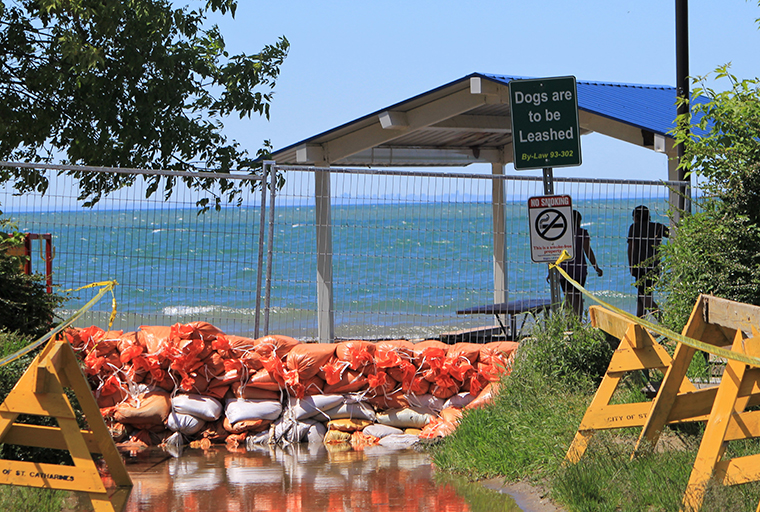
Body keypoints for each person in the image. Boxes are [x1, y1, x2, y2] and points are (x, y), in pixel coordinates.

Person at [558, 210, 603, 318]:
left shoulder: (562, 234)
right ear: (578, 220)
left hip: (564, 270)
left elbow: (555, 254)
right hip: (579, 270)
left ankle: (569, 324)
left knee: (568, 298)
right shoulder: (582, 233)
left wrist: (551, 271)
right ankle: (578, 321)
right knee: (578, 297)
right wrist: (596, 267)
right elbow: (588, 252)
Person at [627, 205, 669, 318]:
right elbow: (672, 234)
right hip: (654, 266)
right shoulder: (657, 227)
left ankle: (664, 320)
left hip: (640, 266)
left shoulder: (634, 228)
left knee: (645, 298)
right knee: (642, 297)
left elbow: (631, 249)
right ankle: (640, 323)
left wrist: (631, 266)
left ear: (636, 217)